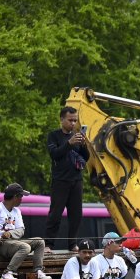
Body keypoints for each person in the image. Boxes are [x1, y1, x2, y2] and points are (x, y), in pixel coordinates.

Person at [0, 183, 51, 279]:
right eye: (21, 196)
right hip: (0, 245)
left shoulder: (17, 211)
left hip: (14, 243)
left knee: (39, 241)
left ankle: (38, 272)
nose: (22, 199)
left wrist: (10, 234)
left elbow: (21, 230)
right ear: (15, 197)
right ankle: (7, 273)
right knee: (25, 247)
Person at [45, 106, 89, 250]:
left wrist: (83, 145)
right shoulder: (54, 136)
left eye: (75, 121)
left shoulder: (76, 135)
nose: (73, 123)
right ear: (62, 119)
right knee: (55, 214)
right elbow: (54, 154)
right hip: (60, 180)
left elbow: (85, 158)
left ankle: (72, 244)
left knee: (76, 215)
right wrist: (69, 143)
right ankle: (49, 244)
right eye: (70, 120)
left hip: (76, 180)